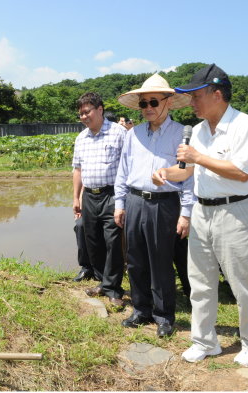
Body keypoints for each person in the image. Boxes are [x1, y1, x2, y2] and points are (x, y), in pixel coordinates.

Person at [152, 64, 248, 367]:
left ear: (217, 94)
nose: (191, 102)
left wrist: (197, 157)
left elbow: (242, 172)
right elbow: (190, 169)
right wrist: (165, 173)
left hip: (236, 211)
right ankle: (205, 341)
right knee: (200, 281)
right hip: (203, 212)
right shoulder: (201, 130)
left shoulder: (244, 125)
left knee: (243, 282)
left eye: (196, 95)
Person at [113, 73, 193, 337]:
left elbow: (189, 176)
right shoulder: (133, 134)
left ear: (168, 102)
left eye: (153, 102)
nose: (148, 108)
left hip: (164, 204)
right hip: (135, 201)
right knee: (135, 260)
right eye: (143, 103)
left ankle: (163, 314)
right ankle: (141, 309)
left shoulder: (180, 134)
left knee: (160, 261)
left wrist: (186, 213)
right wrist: (120, 203)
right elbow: (122, 170)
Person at [72, 92, 127, 307]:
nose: (84, 117)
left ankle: (113, 289)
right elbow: (77, 169)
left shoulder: (118, 133)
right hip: (89, 196)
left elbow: (127, 166)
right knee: (92, 240)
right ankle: (103, 282)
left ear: (100, 109)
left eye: (87, 112)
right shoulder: (81, 138)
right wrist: (76, 197)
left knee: (113, 241)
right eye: (81, 114)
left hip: (112, 194)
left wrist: (123, 200)